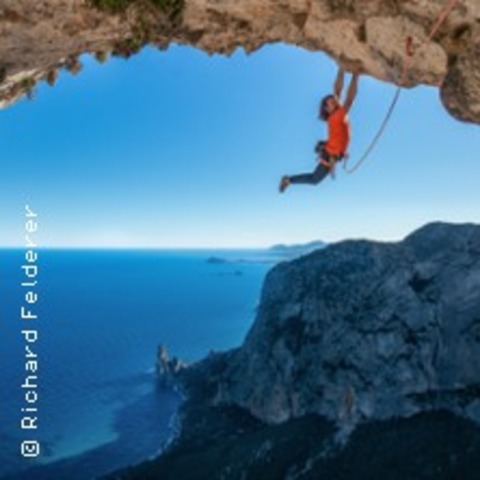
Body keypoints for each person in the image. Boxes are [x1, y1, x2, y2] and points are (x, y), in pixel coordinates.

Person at [279, 67, 359, 193]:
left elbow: (345, 97)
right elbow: (343, 96)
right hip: (331, 154)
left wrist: (354, 73)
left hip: (330, 154)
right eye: (331, 103)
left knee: (314, 179)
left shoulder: (337, 115)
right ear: (327, 109)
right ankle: (288, 180)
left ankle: (289, 180)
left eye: (333, 102)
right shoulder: (336, 116)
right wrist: (353, 74)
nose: (335, 102)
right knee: (314, 179)